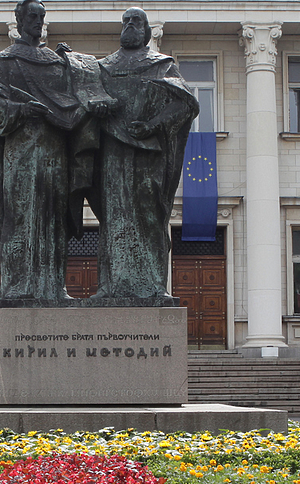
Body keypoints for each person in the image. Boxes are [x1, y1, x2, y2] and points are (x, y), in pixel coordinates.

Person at [0, 0, 108, 302]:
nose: (37, 21)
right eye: (32, 16)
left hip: (56, 151)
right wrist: (21, 110)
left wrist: (74, 62)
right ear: (19, 20)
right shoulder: (5, 61)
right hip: (22, 152)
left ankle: (53, 288)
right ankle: (19, 288)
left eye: (41, 16)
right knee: (24, 216)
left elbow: (76, 96)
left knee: (54, 219)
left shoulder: (56, 61)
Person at [91, 7, 198, 300]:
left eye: (136, 21)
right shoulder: (103, 67)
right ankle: (108, 287)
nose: (129, 26)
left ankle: (153, 286)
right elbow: (87, 100)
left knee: (150, 217)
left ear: (148, 31)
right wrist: (97, 108)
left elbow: (185, 104)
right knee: (114, 217)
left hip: (149, 154)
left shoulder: (162, 65)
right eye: (125, 21)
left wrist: (153, 125)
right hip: (113, 152)